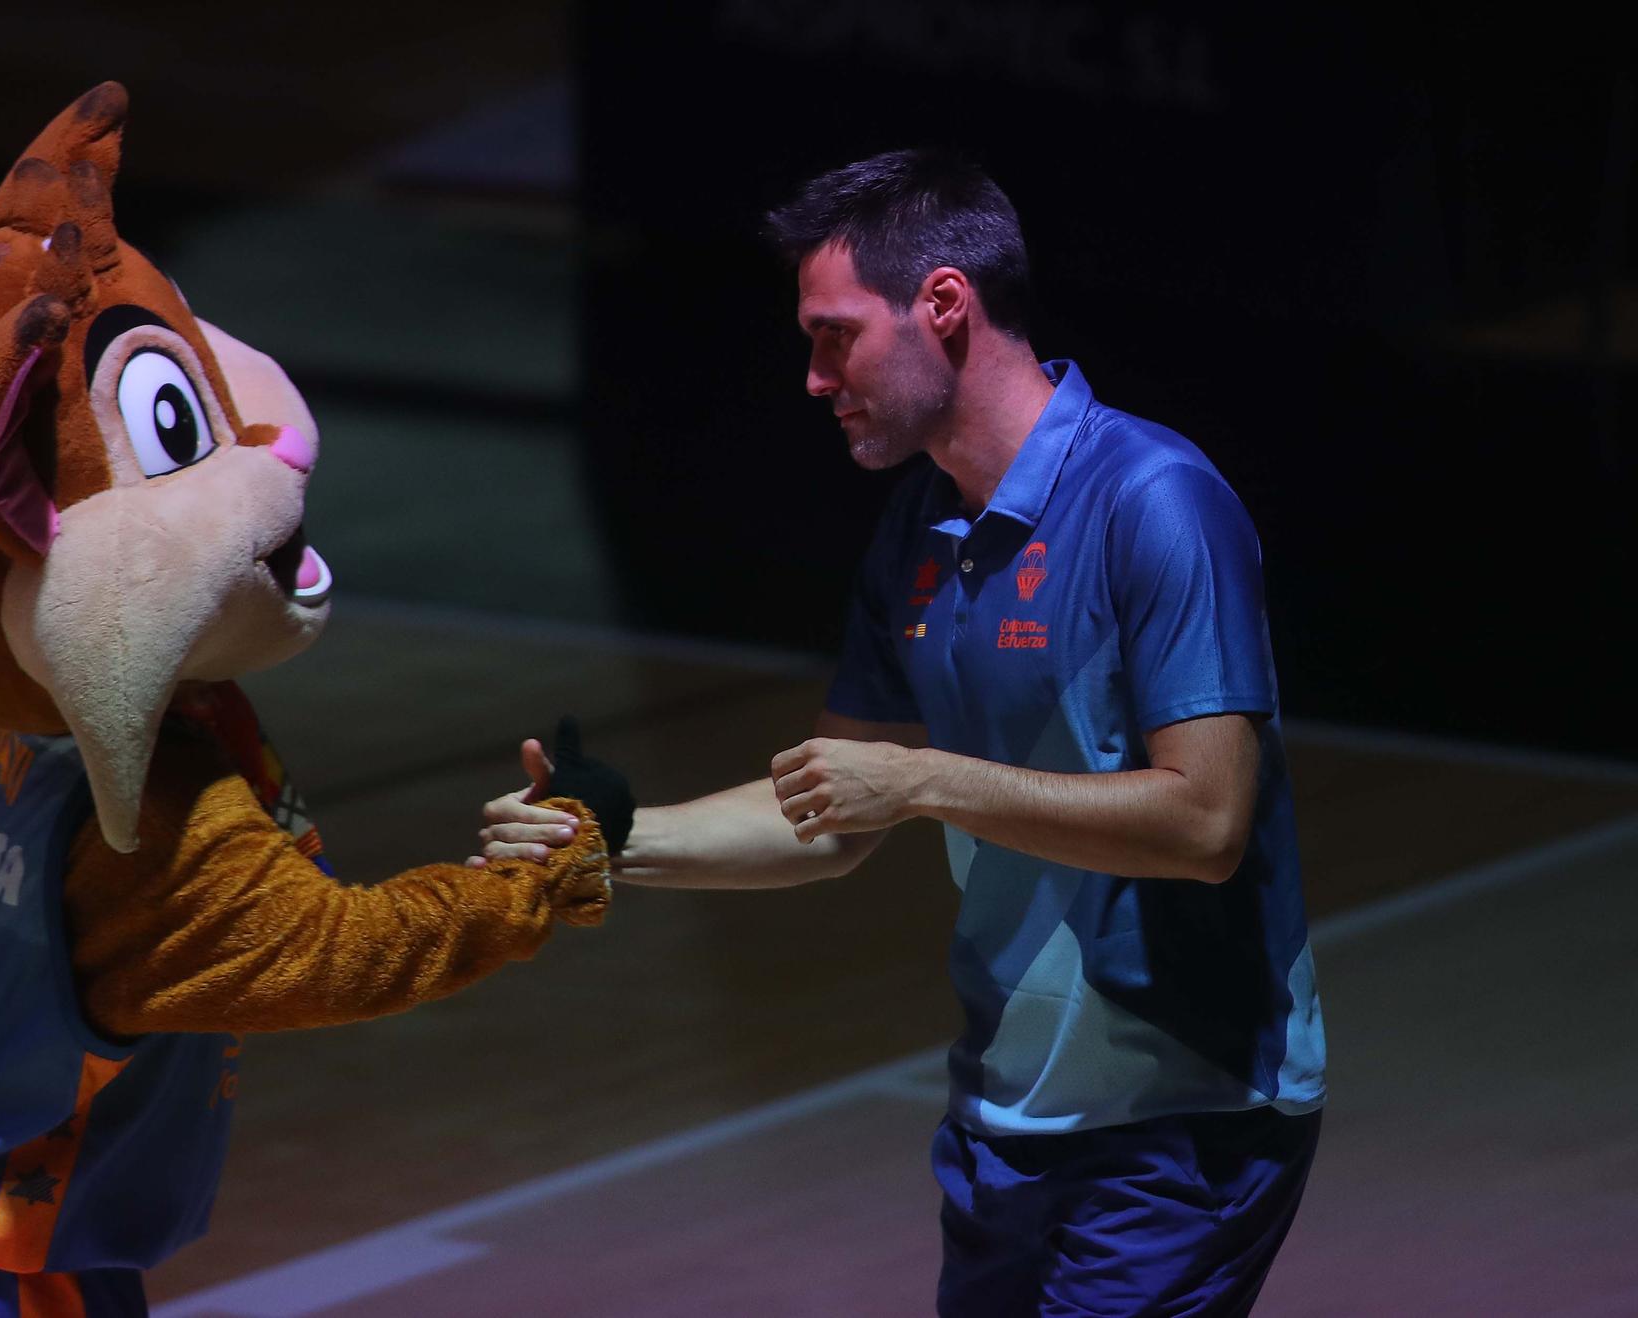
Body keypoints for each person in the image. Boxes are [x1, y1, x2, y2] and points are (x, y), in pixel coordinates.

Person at [476, 149, 1326, 1316]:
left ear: (941, 305)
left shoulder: (1154, 500)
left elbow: (1205, 821)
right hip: (1001, 1116)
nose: (814, 380)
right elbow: (832, 816)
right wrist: (611, 838)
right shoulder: (918, 530)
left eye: (834, 336)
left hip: (1186, 1124)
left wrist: (921, 779)